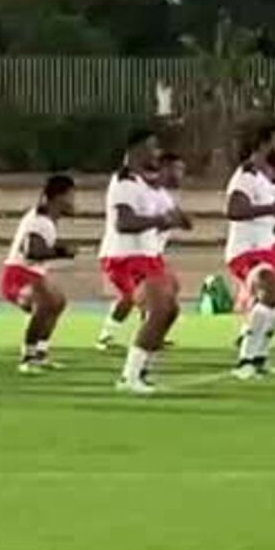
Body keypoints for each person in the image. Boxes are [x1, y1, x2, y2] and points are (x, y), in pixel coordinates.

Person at [103, 130, 189, 394]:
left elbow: (179, 219)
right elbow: (124, 223)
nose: (156, 153)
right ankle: (129, 377)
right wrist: (161, 221)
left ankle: (140, 372)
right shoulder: (124, 183)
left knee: (169, 310)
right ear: (136, 150)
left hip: (148, 257)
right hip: (126, 257)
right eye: (152, 148)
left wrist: (177, 218)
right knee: (160, 308)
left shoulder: (144, 185)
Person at [225, 146, 275, 380]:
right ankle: (245, 359)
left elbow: (266, 220)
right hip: (245, 251)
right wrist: (274, 208)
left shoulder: (265, 180)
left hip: (267, 250)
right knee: (269, 286)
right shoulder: (245, 176)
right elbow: (235, 210)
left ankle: (260, 357)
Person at [2, 174, 77, 374]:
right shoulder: (39, 221)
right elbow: (31, 251)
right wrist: (61, 252)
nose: (73, 201)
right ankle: (28, 357)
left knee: (57, 301)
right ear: (58, 197)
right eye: (71, 196)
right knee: (45, 303)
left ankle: (41, 353)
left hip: (32, 274)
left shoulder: (46, 220)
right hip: (18, 275)